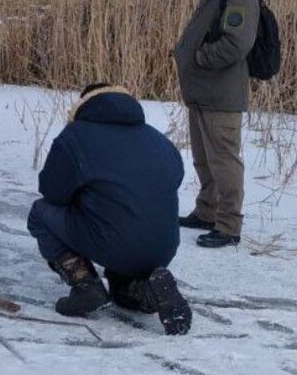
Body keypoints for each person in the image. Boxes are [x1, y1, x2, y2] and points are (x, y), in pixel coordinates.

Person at [27, 84, 191, 335]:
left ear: (82, 106)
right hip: (163, 246)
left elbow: (52, 194)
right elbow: (172, 181)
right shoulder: (159, 139)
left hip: (113, 239)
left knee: (40, 214)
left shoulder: (76, 136)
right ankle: (147, 291)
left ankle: (85, 285)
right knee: (121, 291)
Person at [174, 0, 260, 248]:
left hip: (221, 96)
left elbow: (236, 45)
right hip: (201, 93)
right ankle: (207, 212)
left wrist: (197, 58)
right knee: (204, 160)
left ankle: (228, 226)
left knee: (224, 161)